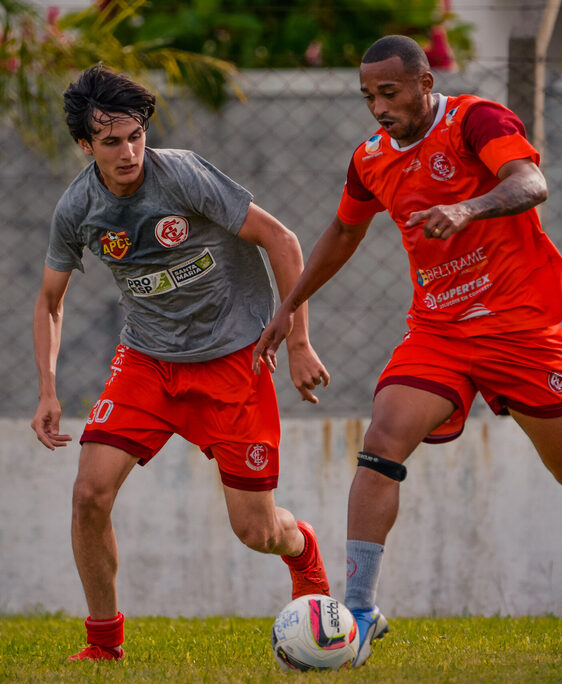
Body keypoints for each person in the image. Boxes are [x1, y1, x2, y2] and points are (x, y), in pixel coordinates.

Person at [253, 35, 562, 666]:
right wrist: (290, 306)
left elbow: (530, 181)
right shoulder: (370, 159)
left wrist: (469, 208)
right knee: (381, 443)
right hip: (439, 331)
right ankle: (359, 614)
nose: (378, 108)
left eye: (389, 93)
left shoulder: (475, 119)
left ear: (425, 83)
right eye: (368, 97)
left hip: (519, 327)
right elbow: (342, 231)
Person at [31, 64, 332, 662]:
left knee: (256, 531)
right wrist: (47, 390)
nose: (128, 152)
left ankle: (303, 551)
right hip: (147, 362)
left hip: (233, 362)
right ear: (86, 146)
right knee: (89, 494)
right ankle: (104, 646)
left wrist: (298, 341)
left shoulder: (183, 174)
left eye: (136, 136)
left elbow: (283, 241)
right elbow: (49, 302)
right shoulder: (78, 209)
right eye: (111, 142)